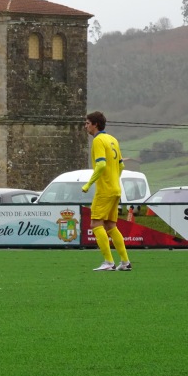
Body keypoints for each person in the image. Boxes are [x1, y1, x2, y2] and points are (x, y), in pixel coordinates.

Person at [82, 111, 132, 271]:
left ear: (95, 124)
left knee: (96, 223)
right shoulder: (112, 139)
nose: (86, 126)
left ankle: (108, 262)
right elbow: (121, 165)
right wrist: (114, 180)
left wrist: (89, 184)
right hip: (116, 189)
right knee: (111, 225)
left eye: (87, 123)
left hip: (104, 190)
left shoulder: (98, 140)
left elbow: (101, 164)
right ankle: (125, 262)